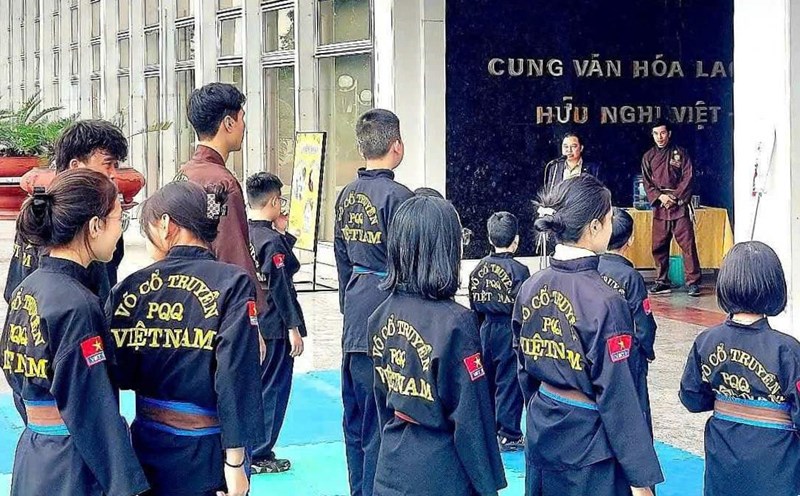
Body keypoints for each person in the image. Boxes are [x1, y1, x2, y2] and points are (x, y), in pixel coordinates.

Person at [107, 181, 265, 496]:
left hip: (144, 446)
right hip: (205, 452)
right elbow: (235, 375)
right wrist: (235, 463)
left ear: (165, 225)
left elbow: (113, 371)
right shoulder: (232, 283)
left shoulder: (129, 288)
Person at [1, 169, 148, 496]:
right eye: (118, 221)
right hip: (73, 464)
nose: (118, 232)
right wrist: (126, 486)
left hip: (35, 454)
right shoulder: (76, 305)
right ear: (95, 226)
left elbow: (14, 373)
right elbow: (91, 405)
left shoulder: (28, 288)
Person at [515, 174, 663, 496]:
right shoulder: (606, 301)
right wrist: (640, 479)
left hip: (543, 428)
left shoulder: (530, 287)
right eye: (609, 218)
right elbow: (619, 394)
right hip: (590, 446)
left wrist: (545, 406)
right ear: (595, 227)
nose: (611, 225)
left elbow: (524, 368)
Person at [369, 196, 507, 496]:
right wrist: (488, 487)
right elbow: (471, 419)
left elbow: (382, 401)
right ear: (446, 250)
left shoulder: (379, 316)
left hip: (392, 460)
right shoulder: (456, 323)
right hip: (442, 471)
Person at [334, 108, 414, 496]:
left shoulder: (346, 195)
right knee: (380, 422)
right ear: (396, 146)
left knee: (355, 417)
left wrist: (347, 301)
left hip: (355, 307)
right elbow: (410, 263)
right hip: (389, 313)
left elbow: (341, 258)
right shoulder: (401, 198)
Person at [680, 241, 800, 496]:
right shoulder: (788, 350)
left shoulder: (706, 341)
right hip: (775, 471)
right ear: (775, 288)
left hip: (723, 463)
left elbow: (691, 398)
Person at [4, 119, 128, 304]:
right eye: (107, 164)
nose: (113, 174)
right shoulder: (87, 221)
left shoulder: (43, 205)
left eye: (116, 165)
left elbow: (13, 292)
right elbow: (101, 298)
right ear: (75, 166)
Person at [178, 82, 267, 315]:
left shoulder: (184, 173)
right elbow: (229, 247)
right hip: (216, 300)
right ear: (229, 123)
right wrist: (252, 309)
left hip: (184, 295)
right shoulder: (220, 183)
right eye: (242, 118)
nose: (244, 126)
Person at [245, 172, 307, 475]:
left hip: (254, 320)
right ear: (273, 201)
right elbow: (282, 286)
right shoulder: (270, 242)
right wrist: (293, 328)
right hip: (275, 324)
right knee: (274, 388)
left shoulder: (243, 234)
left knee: (259, 385)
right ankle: (260, 451)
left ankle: (254, 447)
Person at [468, 211, 530, 451]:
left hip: (485, 328)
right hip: (508, 330)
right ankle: (510, 434)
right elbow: (524, 307)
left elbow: (474, 304)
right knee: (508, 382)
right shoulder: (519, 270)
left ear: (489, 238)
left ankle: (489, 428)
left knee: (487, 381)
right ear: (516, 240)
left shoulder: (478, 269)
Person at [598, 207, 658, 432]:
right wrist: (646, 351)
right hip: (628, 354)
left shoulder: (590, 269)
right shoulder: (631, 277)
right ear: (631, 239)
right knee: (636, 409)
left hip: (595, 350)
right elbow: (643, 320)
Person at [641, 120, 701, 297]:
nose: (660, 137)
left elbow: (688, 177)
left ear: (669, 134)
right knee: (658, 246)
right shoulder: (648, 157)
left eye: (663, 133)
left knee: (687, 246)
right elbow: (647, 182)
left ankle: (693, 282)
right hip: (660, 206)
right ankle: (661, 281)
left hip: (679, 206)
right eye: (656, 134)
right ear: (652, 135)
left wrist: (674, 197)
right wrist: (661, 197)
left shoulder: (680, 154)